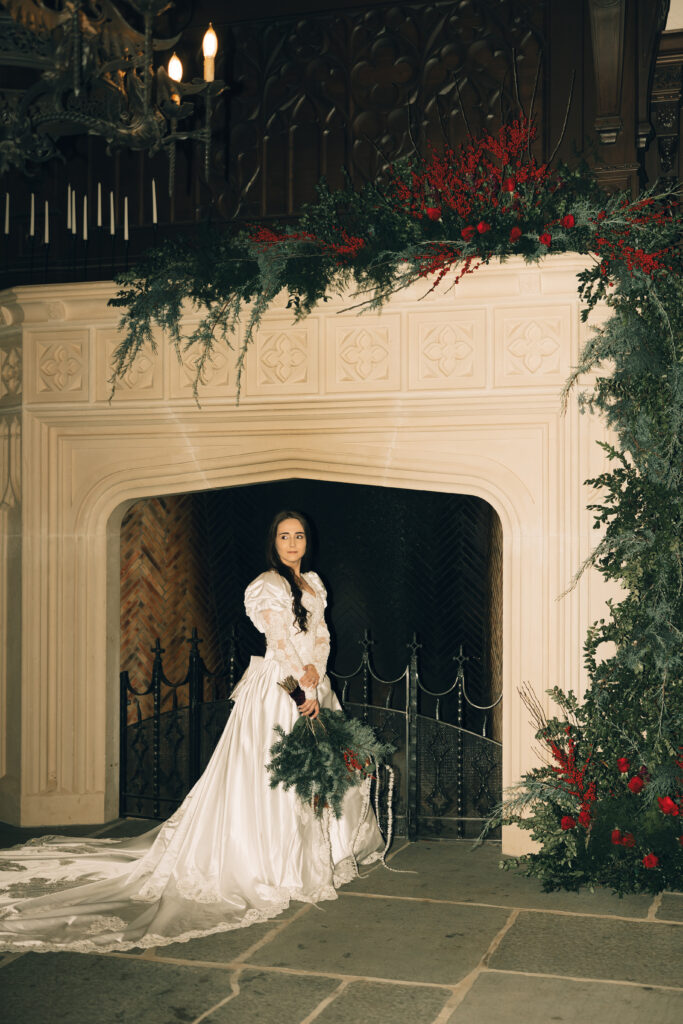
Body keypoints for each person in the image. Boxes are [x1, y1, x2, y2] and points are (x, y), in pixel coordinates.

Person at [0, 510, 385, 953]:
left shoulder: (313, 583)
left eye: (299, 536)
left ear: (307, 541)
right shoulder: (269, 585)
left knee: (317, 775)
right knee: (271, 777)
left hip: (313, 683)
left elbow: (322, 633)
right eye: (284, 536)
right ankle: (269, 864)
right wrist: (302, 689)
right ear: (273, 542)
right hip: (280, 688)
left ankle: (319, 856)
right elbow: (279, 643)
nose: (292, 543)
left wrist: (317, 671)